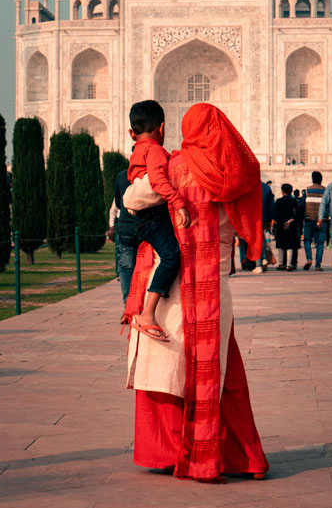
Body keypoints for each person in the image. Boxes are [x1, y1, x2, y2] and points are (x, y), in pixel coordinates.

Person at [124, 103, 269, 482]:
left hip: (174, 284)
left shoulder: (177, 167)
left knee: (167, 371)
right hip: (215, 287)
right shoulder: (234, 174)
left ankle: (172, 452)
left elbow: (133, 200)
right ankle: (244, 458)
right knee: (223, 375)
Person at [123, 100, 191, 341]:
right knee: (172, 256)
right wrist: (178, 202)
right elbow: (157, 180)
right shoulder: (153, 150)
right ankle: (148, 313)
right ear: (162, 128)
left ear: (132, 133)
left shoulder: (138, 149)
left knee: (168, 254)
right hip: (151, 216)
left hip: (142, 218)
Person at [108, 166, 141, 303]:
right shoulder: (149, 173)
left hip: (126, 225)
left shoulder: (122, 175)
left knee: (127, 266)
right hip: (146, 225)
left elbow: (118, 203)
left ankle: (128, 304)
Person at [302, 171, 326, 271]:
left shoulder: (307, 190)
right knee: (320, 243)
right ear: (321, 179)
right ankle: (318, 265)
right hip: (321, 220)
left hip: (309, 219)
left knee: (307, 240)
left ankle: (309, 258)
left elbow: (303, 205)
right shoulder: (325, 190)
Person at [274, 183, 300, 271]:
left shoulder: (278, 201)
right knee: (290, 245)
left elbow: (275, 214)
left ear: (282, 191)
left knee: (281, 245)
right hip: (291, 225)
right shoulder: (294, 201)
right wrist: (290, 221)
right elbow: (298, 214)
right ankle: (289, 264)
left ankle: (281, 264)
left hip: (281, 225)